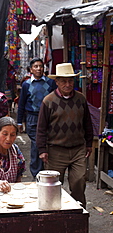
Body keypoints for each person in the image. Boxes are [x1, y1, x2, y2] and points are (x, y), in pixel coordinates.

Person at [36, 63, 93, 209]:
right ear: (57, 82)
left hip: (78, 149)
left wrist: (89, 144)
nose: (67, 84)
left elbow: (87, 123)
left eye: (70, 81)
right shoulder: (48, 101)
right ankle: (55, 214)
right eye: (63, 81)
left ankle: (78, 212)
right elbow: (41, 128)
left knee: (79, 181)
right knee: (54, 186)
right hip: (56, 150)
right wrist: (42, 150)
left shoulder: (81, 99)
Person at [17, 57, 57, 179]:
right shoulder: (26, 85)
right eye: (36, 66)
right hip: (32, 118)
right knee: (36, 144)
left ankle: (48, 170)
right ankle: (36, 173)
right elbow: (21, 104)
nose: (39, 69)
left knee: (48, 142)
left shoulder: (50, 83)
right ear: (31, 70)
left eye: (40, 66)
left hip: (48, 117)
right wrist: (19, 122)